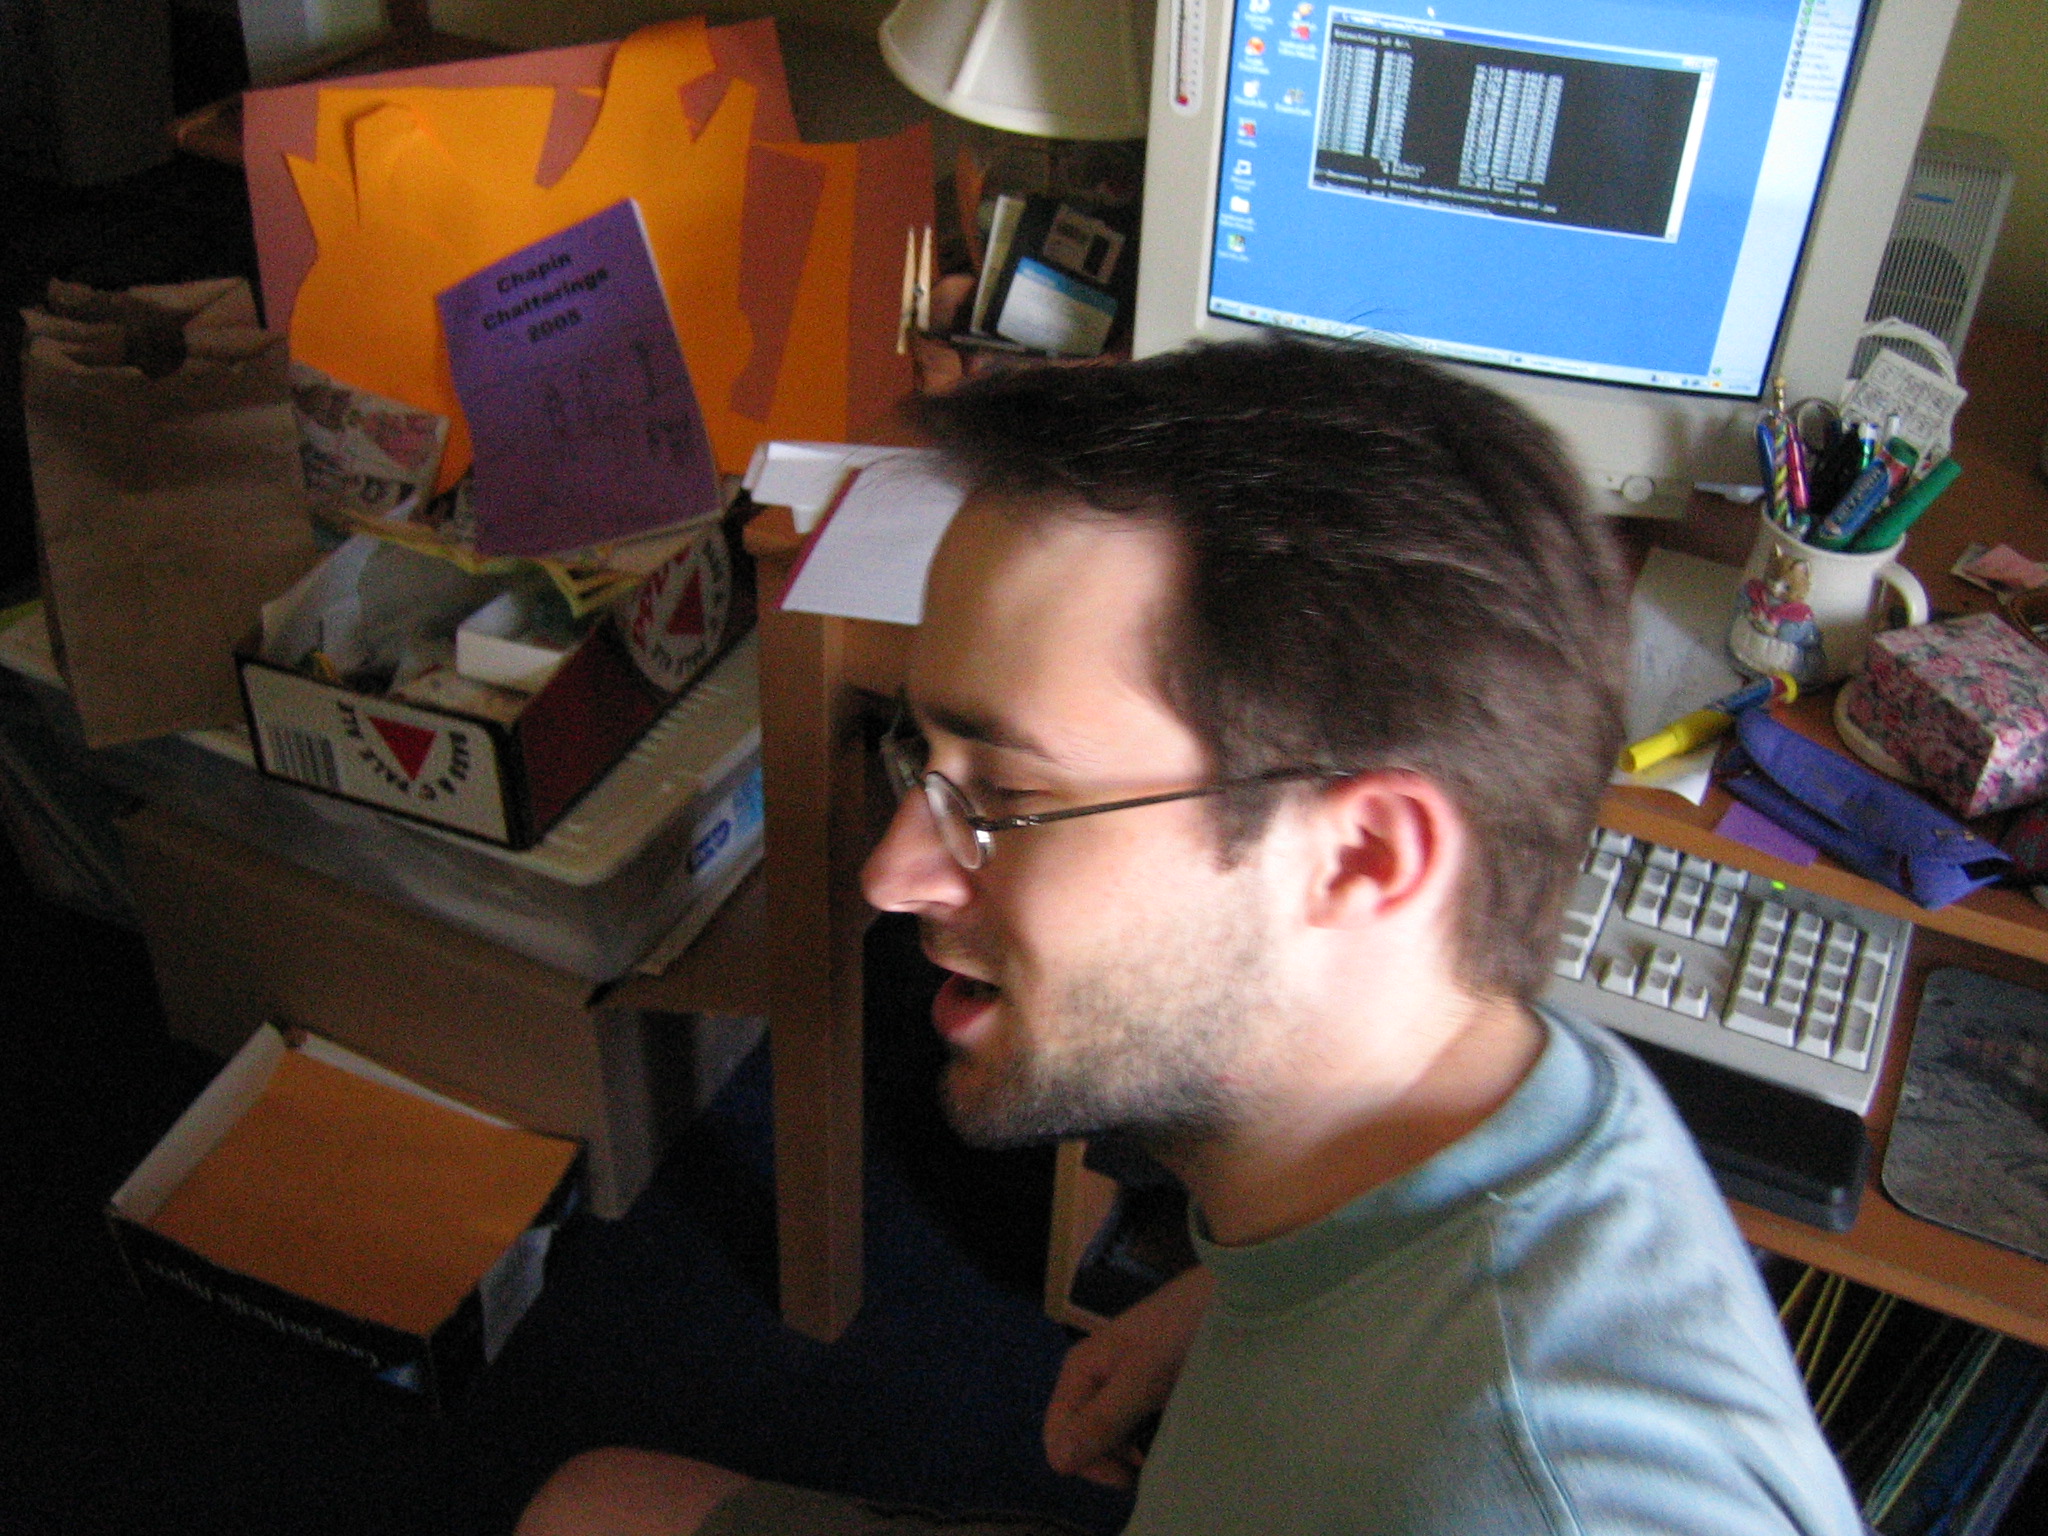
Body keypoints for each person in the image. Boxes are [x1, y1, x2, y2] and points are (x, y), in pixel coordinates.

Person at [519, 335, 1864, 1536]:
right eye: (919, 759)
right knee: (594, 1504)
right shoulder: (1479, 1081)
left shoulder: (1538, 1496)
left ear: (1364, 859)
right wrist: (1226, 1302)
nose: (891, 872)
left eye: (1005, 798)